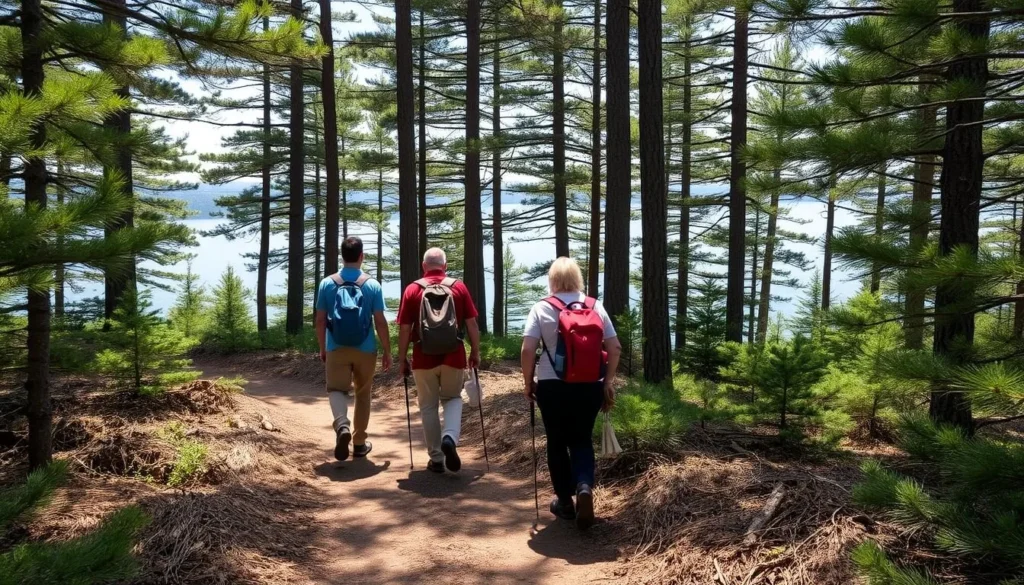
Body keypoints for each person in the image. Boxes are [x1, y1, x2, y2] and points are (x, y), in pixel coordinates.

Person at [520, 257, 621, 530]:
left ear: (552, 280)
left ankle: (564, 502)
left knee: (556, 441)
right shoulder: (594, 306)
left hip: (553, 386)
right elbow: (615, 348)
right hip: (590, 385)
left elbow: (528, 349)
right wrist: (607, 381)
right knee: (581, 439)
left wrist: (528, 383)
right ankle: (585, 486)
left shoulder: (542, 307)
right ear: (578, 278)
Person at [397, 248, 481, 473]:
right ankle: (450, 438)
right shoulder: (458, 287)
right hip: (453, 355)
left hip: (423, 357)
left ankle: (436, 458)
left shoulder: (413, 289)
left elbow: (405, 329)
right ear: (445, 266)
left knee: (428, 405)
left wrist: (402, 358)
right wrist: (475, 352)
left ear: (424, 267)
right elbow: (472, 324)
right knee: (453, 398)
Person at [316, 236, 392, 461]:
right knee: (363, 393)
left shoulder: (327, 283)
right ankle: (359, 444)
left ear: (342, 256)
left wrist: (323, 347)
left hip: (336, 347)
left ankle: (342, 425)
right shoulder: (372, 285)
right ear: (362, 256)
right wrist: (387, 350)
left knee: (336, 390)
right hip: (365, 349)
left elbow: (320, 320)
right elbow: (380, 321)